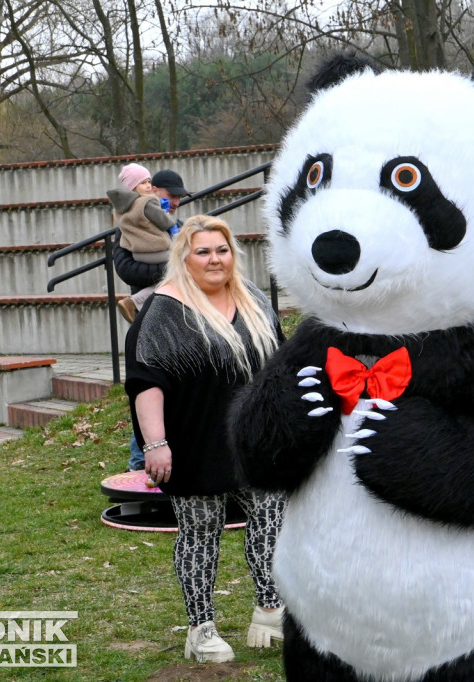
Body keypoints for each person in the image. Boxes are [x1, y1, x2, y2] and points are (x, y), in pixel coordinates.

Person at [125, 214, 286, 663]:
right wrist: (156, 444)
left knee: (272, 517)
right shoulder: (164, 309)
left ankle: (270, 612)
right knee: (201, 533)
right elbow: (145, 382)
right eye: (204, 251)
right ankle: (201, 628)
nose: (215, 259)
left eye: (222, 250)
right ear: (184, 257)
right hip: (193, 441)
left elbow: (278, 363)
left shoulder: (251, 298)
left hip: (253, 440)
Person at [115, 168, 191, 473]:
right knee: (146, 390)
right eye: (170, 195)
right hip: (148, 324)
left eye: (178, 198)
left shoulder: (179, 227)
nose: (174, 202)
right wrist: (173, 269)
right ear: (153, 190)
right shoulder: (128, 226)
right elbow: (126, 270)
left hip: (184, 323)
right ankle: (138, 465)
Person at [108, 163, 177, 322]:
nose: (148, 186)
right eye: (143, 182)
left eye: (149, 181)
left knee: (176, 275)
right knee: (184, 266)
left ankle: (135, 301)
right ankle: (135, 301)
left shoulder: (121, 208)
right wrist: (172, 225)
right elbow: (163, 220)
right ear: (133, 187)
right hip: (156, 251)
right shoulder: (146, 202)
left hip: (138, 253)